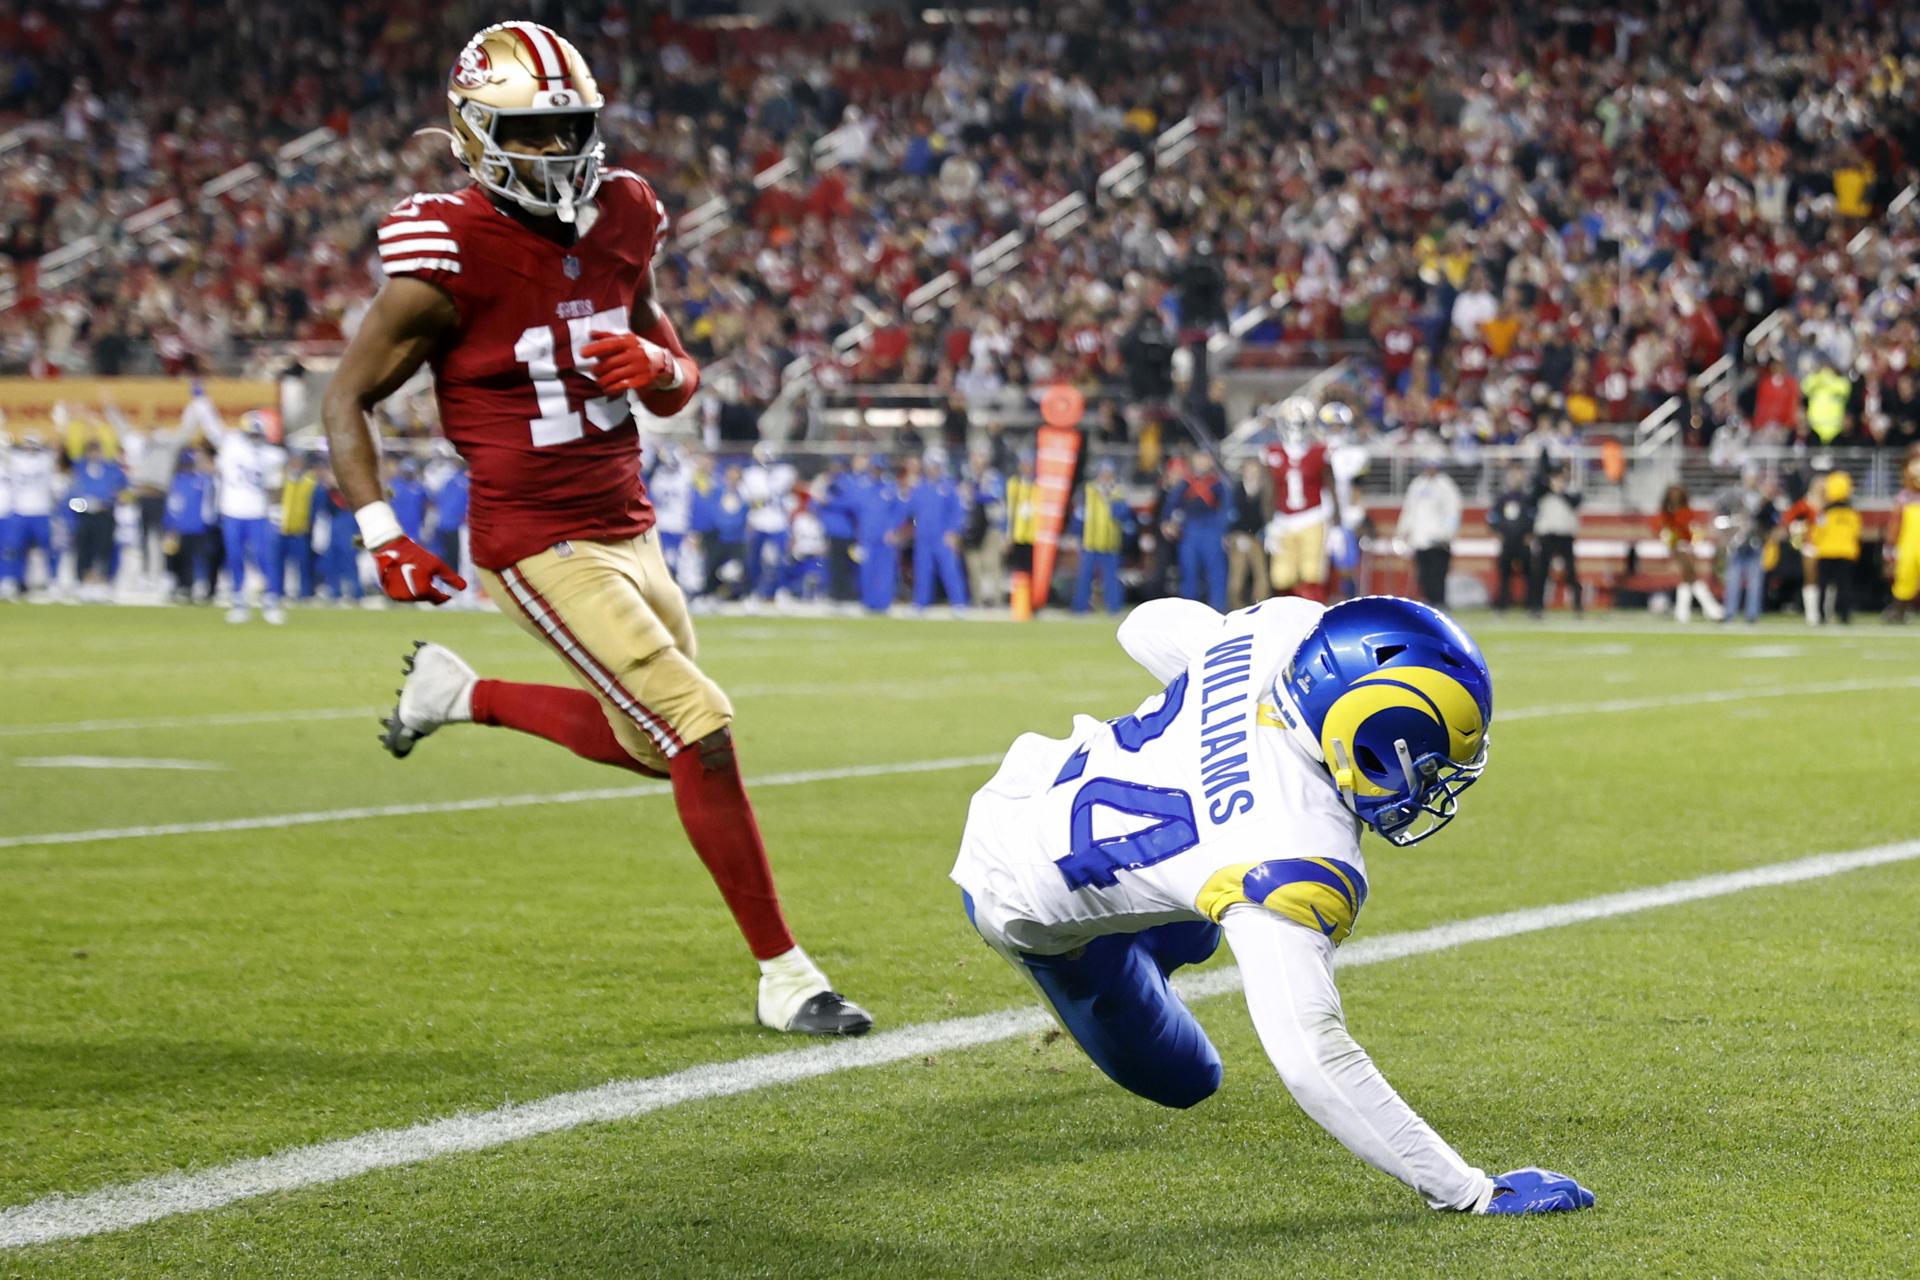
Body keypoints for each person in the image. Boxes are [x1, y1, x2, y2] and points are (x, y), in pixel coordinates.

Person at [319, 20, 868, 1036]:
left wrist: (661, 369)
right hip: (535, 539)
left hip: (630, 523)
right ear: (477, 134)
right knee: (699, 728)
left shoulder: (624, 211)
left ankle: (459, 692)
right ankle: (787, 974)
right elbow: (344, 396)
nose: (555, 150)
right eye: (528, 133)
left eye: (568, 126)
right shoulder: (444, 250)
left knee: (660, 748)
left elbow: (673, 375)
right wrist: (380, 529)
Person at [951, 594, 1595, 1217]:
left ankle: (1167, 923)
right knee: (1188, 1077)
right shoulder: (1291, 846)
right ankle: (1114, 953)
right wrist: (1469, 1189)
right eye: (1422, 765)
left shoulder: (1285, 633)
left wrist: (1216, 672)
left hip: (1039, 782)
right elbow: (1313, 1058)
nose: (1428, 786)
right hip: (1014, 890)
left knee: (1205, 906)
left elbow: (1141, 625)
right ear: (1361, 731)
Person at [189, 394, 284, 625]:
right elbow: (213, 428)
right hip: (232, 511)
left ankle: (271, 601)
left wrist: (275, 511)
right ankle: (239, 602)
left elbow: (274, 486)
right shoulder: (231, 445)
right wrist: (203, 405)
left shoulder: (272, 455)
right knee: (234, 558)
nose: (254, 438)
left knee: (264, 558)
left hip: (258, 512)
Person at [1262, 398, 1334, 601]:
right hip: (1284, 521)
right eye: (1290, 423)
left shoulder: (1319, 452)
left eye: (1299, 423)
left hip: (1313, 517)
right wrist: (1269, 524)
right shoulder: (1272, 453)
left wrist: (1336, 525)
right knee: (1281, 578)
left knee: (1312, 575)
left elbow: (1331, 488)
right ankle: (1288, 622)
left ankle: (1315, 621)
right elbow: (1269, 492)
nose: (1294, 428)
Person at [1164, 448, 1233, 609]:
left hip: (1212, 529)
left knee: (1216, 573)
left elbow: (1226, 508)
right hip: (1190, 529)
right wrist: (1167, 522)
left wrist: (1224, 530)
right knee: (1189, 571)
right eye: (1199, 458)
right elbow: (1171, 504)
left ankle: (1218, 608)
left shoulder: (1218, 483)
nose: (1202, 462)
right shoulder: (1186, 483)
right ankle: (1190, 610)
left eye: (1205, 459)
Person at [1397, 456, 1461, 607]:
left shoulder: (1446, 486)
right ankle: (1430, 602)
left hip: (1438, 539)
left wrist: (1447, 534)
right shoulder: (1417, 485)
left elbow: (1453, 512)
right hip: (1420, 538)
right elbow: (1409, 509)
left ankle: (1439, 602)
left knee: (1438, 574)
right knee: (1423, 574)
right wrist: (1403, 530)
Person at [1070, 459, 1132, 615]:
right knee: (1084, 578)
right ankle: (1080, 608)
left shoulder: (1118, 492)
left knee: (1111, 579)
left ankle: (1114, 609)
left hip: (1110, 543)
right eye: (1103, 473)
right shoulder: (1087, 490)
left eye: (1108, 473)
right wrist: (1076, 534)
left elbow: (1123, 515)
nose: (1105, 476)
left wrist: (1109, 498)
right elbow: (1078, 515)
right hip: (1090, 543)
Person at [908, 452, 969, 610]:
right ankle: (920, 603)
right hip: (923, 537)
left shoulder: (949, 487)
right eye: (930, 466)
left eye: (935, 466)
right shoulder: (919, 487)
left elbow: (957, 512)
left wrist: (953, 532)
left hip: (942, 536)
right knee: (922, 571)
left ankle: (959, 603)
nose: (932, 469)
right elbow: (910, 511)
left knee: (950, 570)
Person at [1652, 484, 1722, 623]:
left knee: (1688, 579)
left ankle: (1683, 611)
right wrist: (1669, 540)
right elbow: (1660, 530)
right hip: (1675, 547)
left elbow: (1693, 532)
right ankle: (1710, 609)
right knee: (1690, 577)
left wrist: (1692, 544)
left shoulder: (1686, 513)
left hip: (1686, 547)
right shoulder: (1665, 514)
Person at [1715, 467, 1776, 624]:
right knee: (1733, 580)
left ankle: (1752, 614)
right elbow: (1723, 518)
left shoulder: (1763, 499)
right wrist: (1728, 536)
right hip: (1737, 543)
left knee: (1755, 582)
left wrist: (1764, 534)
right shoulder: (1734, 496)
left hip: (1755, 543)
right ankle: (1729, 613)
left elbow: (1771, 520)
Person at [68, 438, 126, 601]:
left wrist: (110, 501)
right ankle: (85, 583)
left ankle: (102, 582)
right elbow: (71, 497)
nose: (94, 454)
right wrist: (85, 505)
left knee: (103, 549)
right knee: (84, 549)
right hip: (85, 516)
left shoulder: (110, 469)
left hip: (104, 515)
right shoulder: (79, 469)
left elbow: (122, 490)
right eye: (91, 450)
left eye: (96, 450)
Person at [2, 432, 59, 598]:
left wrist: (60, 424)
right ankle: (15, 581)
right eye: (28, 444)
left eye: (33, 445)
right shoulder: (15, 459)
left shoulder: (45, 459)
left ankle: (52, 580)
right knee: (13, 549)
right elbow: (5, 448)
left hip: (42, 511)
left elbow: (57, 448)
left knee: (48, 549)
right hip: (20, 511)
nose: (30, 448)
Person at [740, 443, 796, 601]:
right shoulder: (750, 474)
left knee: (782, 559)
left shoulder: (785, 472)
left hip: (779, 522)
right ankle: (753, 592)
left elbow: (789, 492)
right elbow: (749, 501)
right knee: (754, 560)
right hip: (758, 521)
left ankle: (781, 591)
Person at [1527, 458, 1582, 618]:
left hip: (1565, 536)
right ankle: (1536, 607)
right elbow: (1532, 497)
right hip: (1547, 536)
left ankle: (1577, 606)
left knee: (1571, 573)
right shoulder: (1543, 492)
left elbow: (1575, 502)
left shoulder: (1571, 491)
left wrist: (1560, 491)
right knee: (1541, 573)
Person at [163, 448, 216, 602]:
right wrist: (168, 525)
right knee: (176, 558)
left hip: (198, 528)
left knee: (197, 559)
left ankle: (197, 585)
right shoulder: (176, 481)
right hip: (178, 528)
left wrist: (209, 522)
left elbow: (210, 502)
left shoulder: (203, 480)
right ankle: (180, 586)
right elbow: (171, 505)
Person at [691, 462, 750, 600]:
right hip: (718, 536)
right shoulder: (717, 491)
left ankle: (740, 595)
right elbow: (710, 512)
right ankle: (709, 595)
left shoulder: (744, 494)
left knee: (739, 569)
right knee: (712, 567)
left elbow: (746, 514)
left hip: (737, 537)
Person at [1810, 470, 1861, 625]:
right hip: (1845, 552)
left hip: (1826, 552)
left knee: (1823, 586)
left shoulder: (1825, 513)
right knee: (1844, 586)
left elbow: (1817, 532)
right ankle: (1844, 615)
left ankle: (1821, 615)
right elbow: (1856, 532)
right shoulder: (1852, 513)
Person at [1486, 464, 1533, 612]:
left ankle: (1530, 605)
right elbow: (1492, 517)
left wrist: (1530, 534)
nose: (1516, 479)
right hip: (1507, 541)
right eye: (1513, 476)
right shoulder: (1502, 498)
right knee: (1504, 575)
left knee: (1529, 575)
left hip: (1523, 542)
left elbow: (1533, 517)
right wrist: (1496, 532)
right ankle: (1502, 605)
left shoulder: (1527, 498)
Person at [962, 449, 1006, 607]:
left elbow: (995, 495)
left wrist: (975, 494)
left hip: (990, 526)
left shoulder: (993, 476)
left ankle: (996, 601)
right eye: (974, 458)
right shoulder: (967, 477)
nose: (977, 462)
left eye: (980, 457)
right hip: (971, 528)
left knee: (992, 564)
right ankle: (978, 600)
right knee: (974, 566)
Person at [277, 452, 320, 602]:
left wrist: (310, 524)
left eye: (298, 461)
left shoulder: (310, 481)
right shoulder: (282, 480)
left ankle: (305, 593)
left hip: (301, 529)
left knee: (303, 564)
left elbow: (313, 505)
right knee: (279, 564)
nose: (295, 464)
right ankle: (278, 592)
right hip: (282, 528)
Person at [1226, 458, 1268, 611]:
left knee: (1261, 574)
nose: (1252, 473)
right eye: (1249, 469)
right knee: (1238, 575)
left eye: (1255, 470)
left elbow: (1265, 513)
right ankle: (1235, 606)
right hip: (1239, 536)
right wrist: (1234, 534)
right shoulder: (1236, 489)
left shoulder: (1264, 489)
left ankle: (1261, 605)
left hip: (1257, 536)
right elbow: (1231, 513)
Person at [1887, 446, 1920, 624]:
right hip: (1908, 543)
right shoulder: (1903, 498)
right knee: (1904, 578)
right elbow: (1895, 524)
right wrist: (1890, 547)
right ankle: (1898, 613)